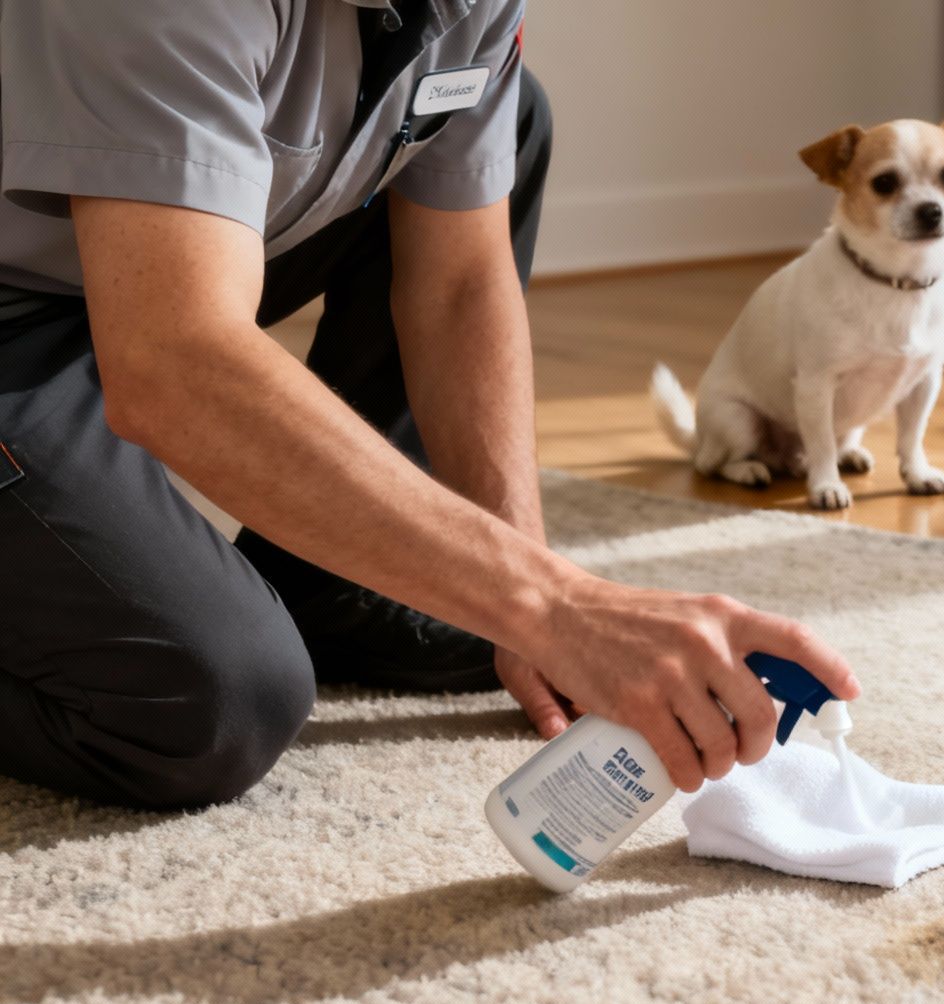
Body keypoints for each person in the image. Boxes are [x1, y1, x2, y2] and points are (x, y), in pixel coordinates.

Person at [0, 0, 857, 811]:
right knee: (209, 704)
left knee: (507, 116)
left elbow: (459, 283)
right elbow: (173, 360)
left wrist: (525, 590)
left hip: (134, 267)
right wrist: (559, 607)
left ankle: (334, 591)